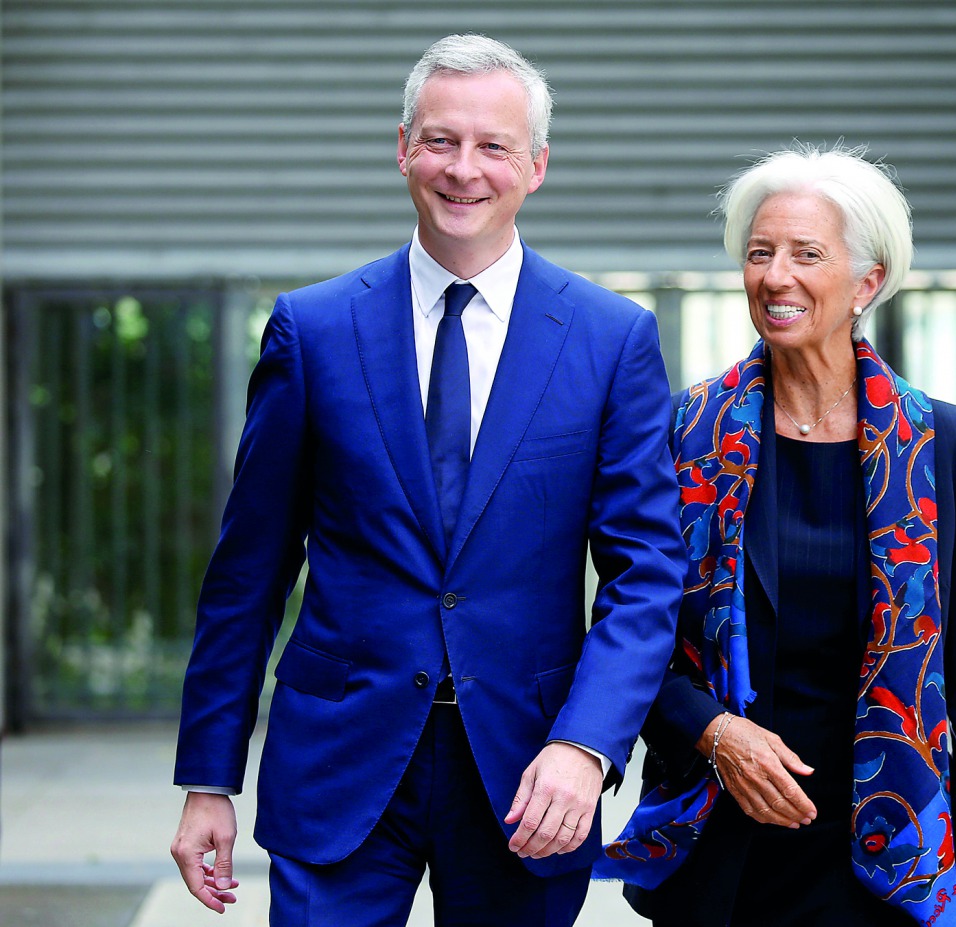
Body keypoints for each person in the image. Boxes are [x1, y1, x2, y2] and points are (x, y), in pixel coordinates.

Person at [170, 34, 684, 926]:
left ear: (538, 166)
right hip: (338, 761)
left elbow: (646, 575)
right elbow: (248, 570)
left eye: (494, 146)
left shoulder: (611, 340)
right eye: (441, 140)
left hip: (528, 772)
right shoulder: (312, 329)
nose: (464, 169)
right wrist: (209, 776)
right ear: (403, 146)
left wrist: (588, 742)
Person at [595, 144, 956, 926]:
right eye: (759, 253)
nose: (777, 277)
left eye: (808, 254)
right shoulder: (682, 432)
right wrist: (713, 730)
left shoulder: (945, 443)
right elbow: (633, 628)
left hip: (889, 844)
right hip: (721, 842)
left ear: (866, 282)